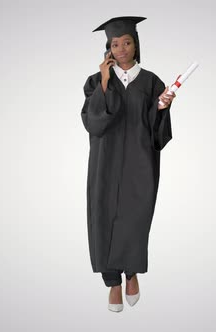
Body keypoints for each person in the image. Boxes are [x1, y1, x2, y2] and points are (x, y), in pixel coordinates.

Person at [80, 16, 175, 312]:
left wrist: (161, 108)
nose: (121, 48)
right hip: (105, 163)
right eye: (115, 44)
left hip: (138, 161)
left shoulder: (151, 82)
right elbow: (94, 124)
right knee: (103, 219)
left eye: (127, 42)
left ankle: (131, 273)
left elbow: (156, 131)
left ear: (136, 45)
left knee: (135, 219)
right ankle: (113, 283)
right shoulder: (96, 81)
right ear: (108, 48)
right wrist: (106, 82)